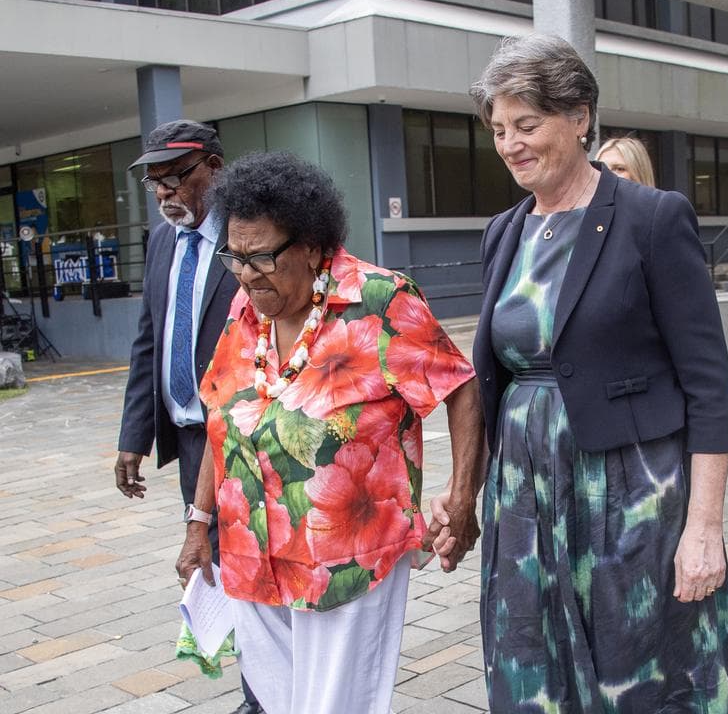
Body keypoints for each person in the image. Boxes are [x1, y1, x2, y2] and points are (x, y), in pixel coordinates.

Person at [429, 33, 728, 713]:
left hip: (628, 497)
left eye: (527, 124)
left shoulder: (651, 218)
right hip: (524, 499)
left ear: (579, 116)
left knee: (641, 665)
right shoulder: (506, 230)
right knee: (532, 657)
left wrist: (704, 528)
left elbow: (707, 386)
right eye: (498, 130)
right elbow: (490, 380)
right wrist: (465, 491)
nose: (510, 144)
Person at [174, 151, 485, 714]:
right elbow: (222, 415)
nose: (246, 273)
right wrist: (199, 527)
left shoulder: (378, 302)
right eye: (235, 258)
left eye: (262, 256)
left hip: (347, 558)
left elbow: (461, 387)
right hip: (252, 555)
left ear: (313, 245)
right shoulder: (248, 310)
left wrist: (463, 495)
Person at [113, 119, 261, 714]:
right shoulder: (160, 243)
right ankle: (261, 692)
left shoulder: (254, 235)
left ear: (216, 169)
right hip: (191, 443)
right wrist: (134, 436)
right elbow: (148, 341)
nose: (166, 191)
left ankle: (266, 695)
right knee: (219, 571)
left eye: (177, 176)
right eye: (155, 182)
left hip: (248, 440)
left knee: (254, 571)